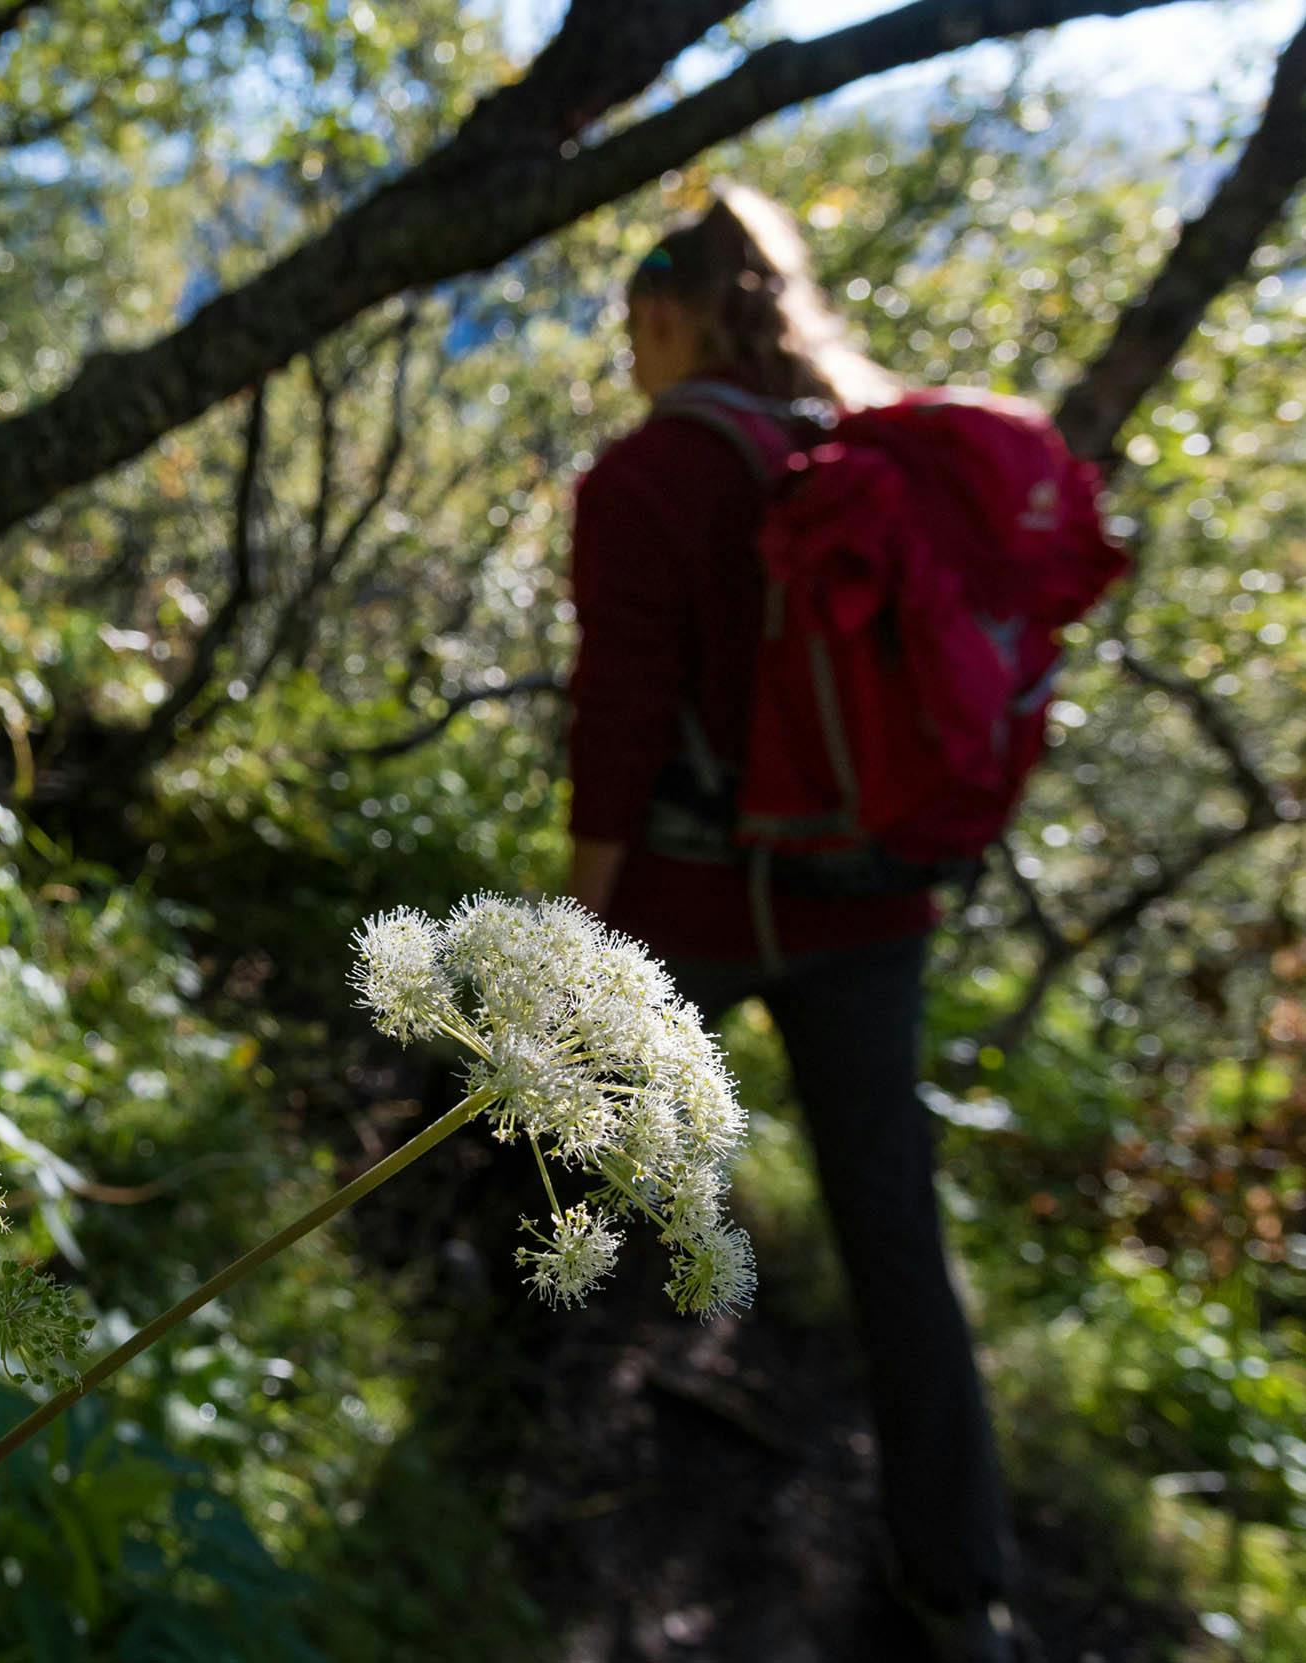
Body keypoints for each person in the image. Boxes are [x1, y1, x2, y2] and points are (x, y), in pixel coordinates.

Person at [564, 185, 1020, 1663]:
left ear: (668, 315)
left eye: (635, 326)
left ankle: (554, 1428)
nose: (629, 356)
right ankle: (962, 1589)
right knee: (897, 1235)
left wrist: (579, 923)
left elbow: (621, 724)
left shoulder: (645, 481)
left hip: (700, 904)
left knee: (573, 1129)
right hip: (874, 904)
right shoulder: (860, 446)